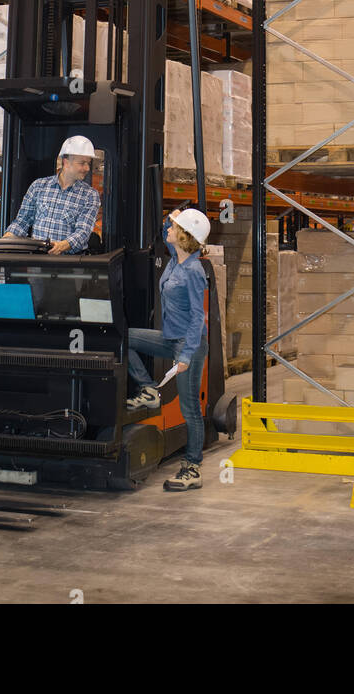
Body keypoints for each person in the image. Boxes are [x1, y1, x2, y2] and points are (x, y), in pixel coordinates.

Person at [126, 206, 211, 492]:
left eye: (174, 228)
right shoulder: (175, 259)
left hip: (189, 345)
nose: (169, 231)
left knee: (189, 410)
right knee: (124, 338)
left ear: (185, 236)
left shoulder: (193, 270)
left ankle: (193, 468)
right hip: (171, 339)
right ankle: (149, 390)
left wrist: (186, 357)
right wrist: (170, 217)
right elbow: (165, 231)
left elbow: (199, 317)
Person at [3, 136, 100, 254]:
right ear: (66, 162)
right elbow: (23, 221)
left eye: (88, 163)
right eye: (82, 163)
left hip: (70, 266)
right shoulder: (38, 186)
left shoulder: (90, 196)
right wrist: (6, 239)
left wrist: (62, 245)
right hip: (37, 262)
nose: (87, 168)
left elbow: (83, 232)